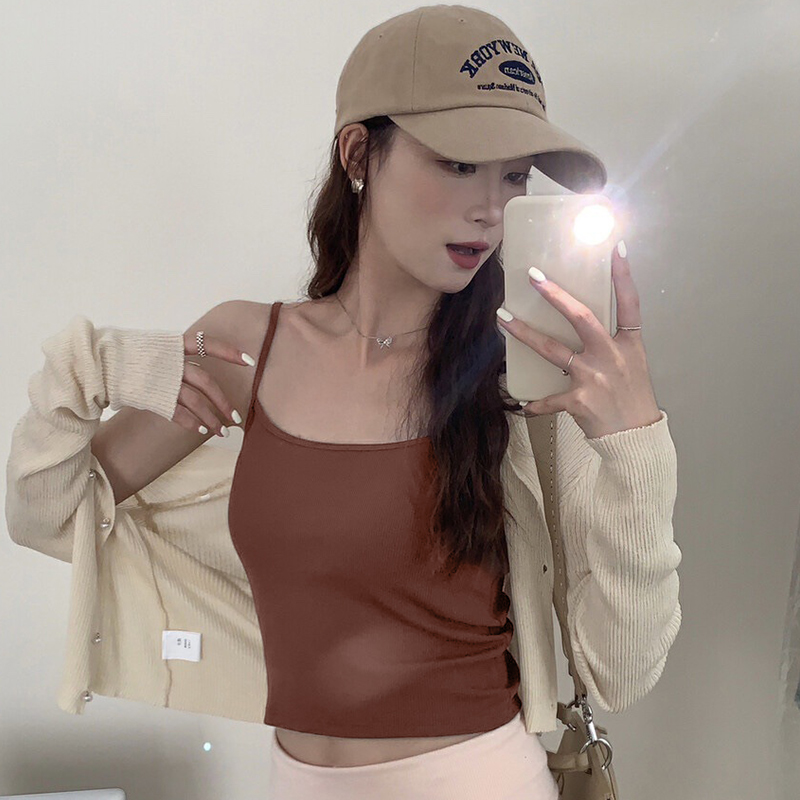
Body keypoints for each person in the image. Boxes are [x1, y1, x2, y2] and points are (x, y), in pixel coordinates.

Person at [7, 5, 681, 800]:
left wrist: (635, 443)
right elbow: (48, 516)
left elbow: (619, 672)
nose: (491, 209)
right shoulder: (243, 348)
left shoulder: (522, 371)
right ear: (359, 152)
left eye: (514, 177)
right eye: (459, 163)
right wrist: (87, 370)